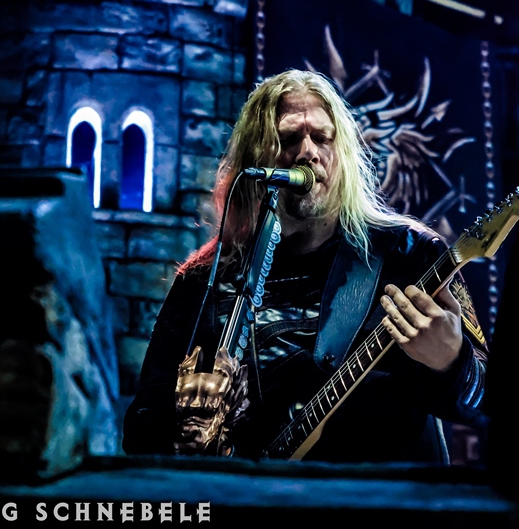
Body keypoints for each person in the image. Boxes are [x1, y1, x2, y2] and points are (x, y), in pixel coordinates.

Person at [123, 69, 488, 463]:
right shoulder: (205, 279)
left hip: (382, 495)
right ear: (256, 158)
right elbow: (143, 419)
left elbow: (489, 398)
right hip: (255, 495)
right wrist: (180, 432)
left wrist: (451, 360)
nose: (307, 152)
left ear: (342, 153)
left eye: (322, 138)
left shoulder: (410, 254)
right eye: (288, 139)